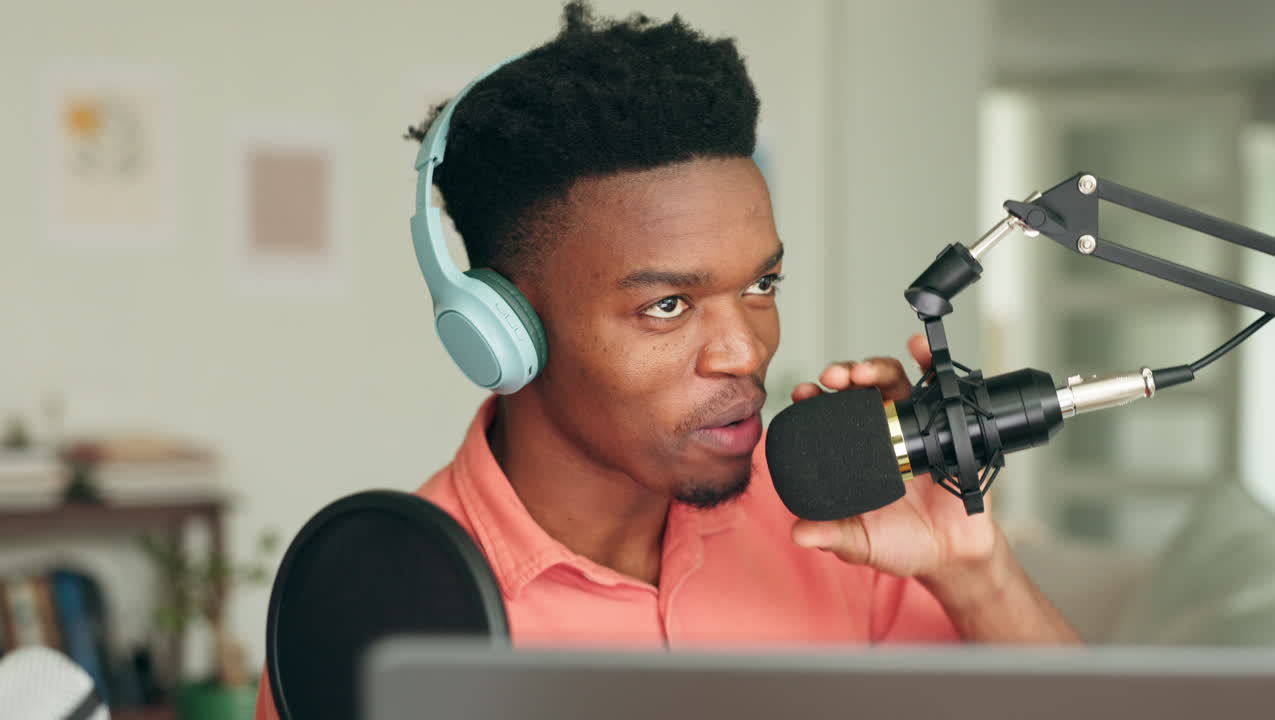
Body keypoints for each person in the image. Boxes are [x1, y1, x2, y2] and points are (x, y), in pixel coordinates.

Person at [255, 3, 1077, 717]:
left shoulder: (836, 519)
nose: (745, 350)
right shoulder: (381, 603)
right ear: (504, 328)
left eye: (762, 283)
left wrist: (976, 573)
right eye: (667, 306)